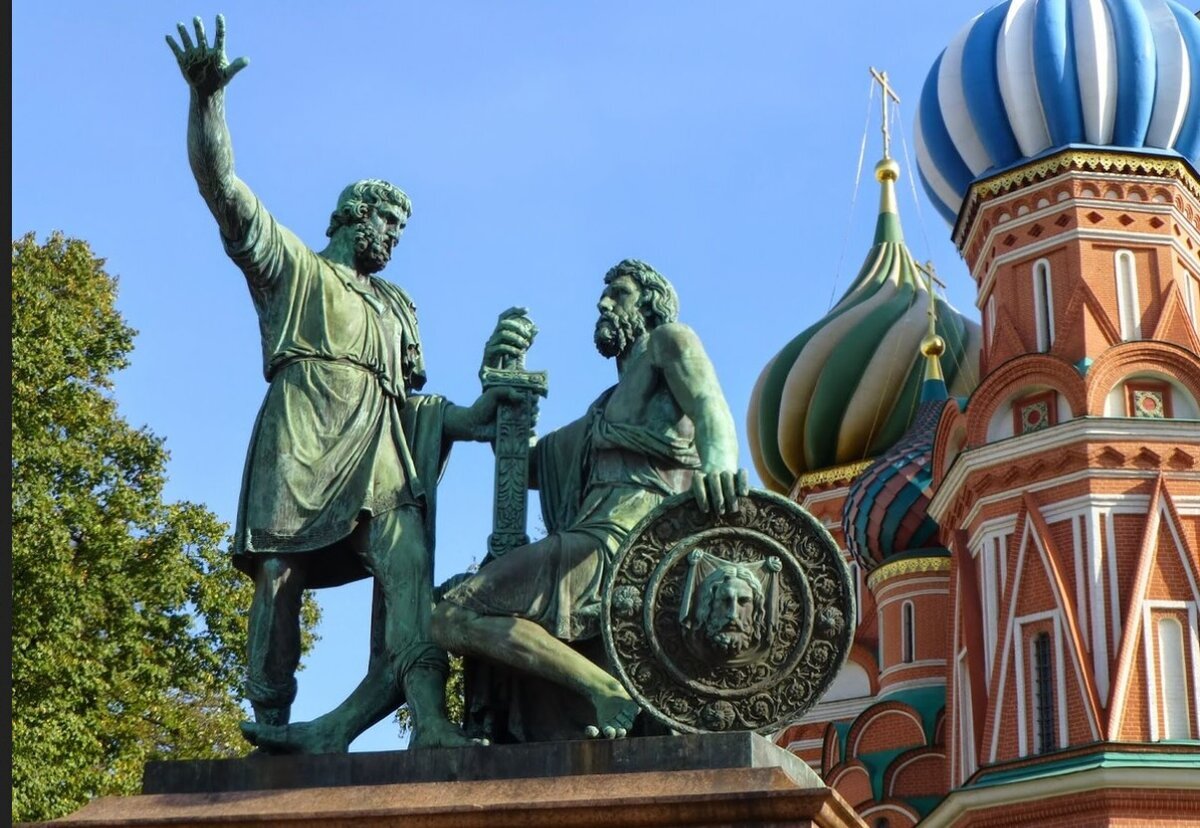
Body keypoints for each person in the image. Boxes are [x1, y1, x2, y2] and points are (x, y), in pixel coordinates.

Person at [166, 15, 527, 752]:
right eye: (387, 224)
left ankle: (430, 720)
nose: (393, 238)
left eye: (400, 230)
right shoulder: (293, 269)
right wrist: (208, 100)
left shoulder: (397, 307)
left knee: (408, 569)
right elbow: (223, 189)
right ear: (353, 216)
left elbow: (416, 409)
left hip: (380, 453)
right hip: (300, 439)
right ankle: (270, 723)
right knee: (279, 577)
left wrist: (477, 415)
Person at [432, 258, 749, 740]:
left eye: (618, 294)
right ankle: (602, 687)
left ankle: (604, 690)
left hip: (625, 540)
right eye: (604, 295)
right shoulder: (604, 407)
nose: (603, 303)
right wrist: (502, 383)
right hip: (591, 538)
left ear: (650, 305)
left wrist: (720, 465)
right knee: (449, 617)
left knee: (453, 615)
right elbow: (528, 465)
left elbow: (710, 405)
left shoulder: (669, 341)